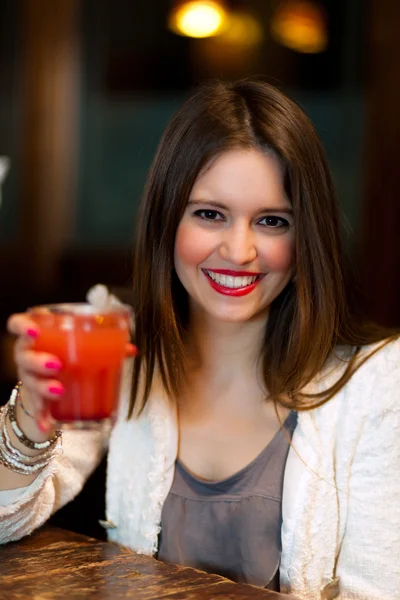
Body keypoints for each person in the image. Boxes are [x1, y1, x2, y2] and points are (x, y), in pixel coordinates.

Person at [1, 80, 399, 600]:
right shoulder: (121, 346)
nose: (239, 251)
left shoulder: (376, 384)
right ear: (168, 222)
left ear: (306, 241)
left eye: (272, 222)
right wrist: (31, 414)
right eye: (210, 214)